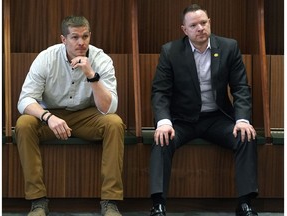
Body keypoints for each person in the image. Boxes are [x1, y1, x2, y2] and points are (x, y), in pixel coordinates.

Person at [149, 4, 258, 216]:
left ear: (210, 23)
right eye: (194, 25)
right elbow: (160, 92)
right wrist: (163, 121)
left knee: (246, 136)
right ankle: (158, 205)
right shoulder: (171, 51)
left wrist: (242, 119)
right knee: (161, 139)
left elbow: (241, 88)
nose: (200, 28)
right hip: (182, 120)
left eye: (204, 23)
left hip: (217, 118)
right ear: (184, 30)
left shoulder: (228, 47)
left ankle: (245, 203)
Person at [15, 16, 125, 216]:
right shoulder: (46, 58)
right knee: (24, 124)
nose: (81, 43)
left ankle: (110, 201)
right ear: (63, 40)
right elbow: (25, 100)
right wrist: (48, 117)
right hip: (52, 115)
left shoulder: (102, 60)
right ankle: (38, 201)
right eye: (74, 37)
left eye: (85, 36)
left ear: (90, 36)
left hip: (87, 115)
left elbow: (109, 108)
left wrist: (91, 74)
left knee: (114, 124)